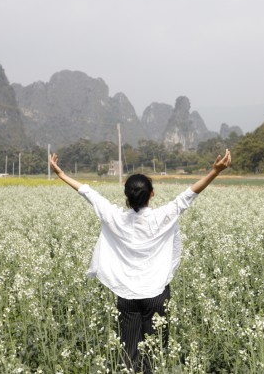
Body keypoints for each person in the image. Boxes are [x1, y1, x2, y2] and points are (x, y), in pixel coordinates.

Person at [49, 149, 231, 373]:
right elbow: (189, 195)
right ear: (152, 194)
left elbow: (88, 193)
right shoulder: (162, 216)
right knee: (154, 355)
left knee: (128, 352)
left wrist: (60, 174)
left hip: (126, 295)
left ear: (126, 195)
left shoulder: (114, 216)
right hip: (156, 294)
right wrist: (215, 171)